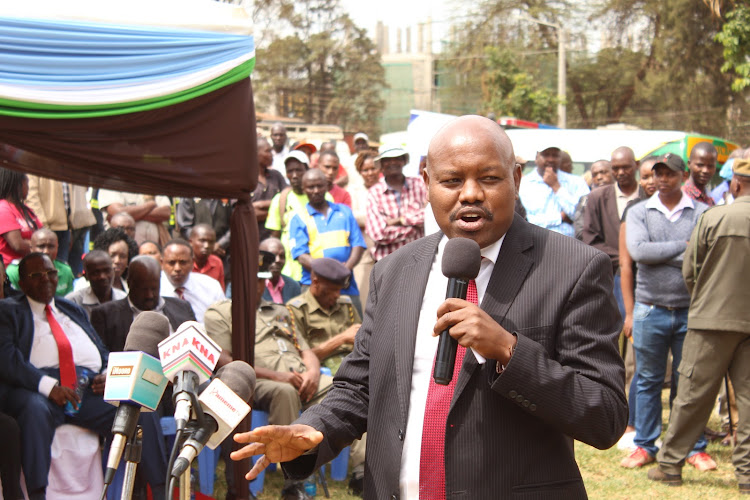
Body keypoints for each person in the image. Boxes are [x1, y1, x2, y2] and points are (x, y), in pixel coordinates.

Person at [231, 115, 627, 499]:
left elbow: (604, 414)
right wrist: (313, 428)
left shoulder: (573, 268)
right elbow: (360, 386)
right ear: (426, 183)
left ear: (516, 178)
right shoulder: (394, 271)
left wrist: (509, 351)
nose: (470, 194)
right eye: (452, 180)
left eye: (489, 178)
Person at [647, 158, 750, 494]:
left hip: (710, 321)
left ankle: (670, 465)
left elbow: (690, 271)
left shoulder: (713, 216)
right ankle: (747, 476)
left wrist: (705, 300)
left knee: (692, 395)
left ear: (735, 183)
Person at [204, 251, 330, 500]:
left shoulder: (279, 310)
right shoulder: (220, 312)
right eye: (253, 279)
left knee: (344, 388)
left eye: (262, 279)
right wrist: (277, 376)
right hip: (258, 380)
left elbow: (306, 350)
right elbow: (225, 361)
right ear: (237, 280)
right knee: (284, 393)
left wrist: (314, 372)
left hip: (302, 378)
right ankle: (293, 483)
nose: (260, 285)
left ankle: (360, 468)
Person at [622, 153, 713, 470]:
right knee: (647, 380)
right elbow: (639, 252)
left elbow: (704, 257)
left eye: (670, 174)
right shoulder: (639, 212)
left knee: (688, 382)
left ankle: (692, 447)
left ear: (682, 175)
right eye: (658, 173)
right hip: (650, 309)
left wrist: (667, 253)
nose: (662, 179)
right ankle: (646, 445)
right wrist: (683, 246)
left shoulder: (702, 212)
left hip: (691, 311)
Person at [0, 252, 114, 500]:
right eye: (37, 275)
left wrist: (107, 373)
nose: (46, 280)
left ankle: (144, 489)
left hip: (87, 388)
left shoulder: (71, 308)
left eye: (51, 273)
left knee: (132, 413)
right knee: (34, 410)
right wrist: (50, 386)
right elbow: (8, 359)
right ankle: (38, 494)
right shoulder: (8, 311)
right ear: (21, 284)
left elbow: (101, 351)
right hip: (37, 388)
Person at [617, 155, 659, 450]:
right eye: (645, 176)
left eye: (655, 175)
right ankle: (631, 424)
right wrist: (629, 312)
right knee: (635, 368)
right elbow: (627, 264)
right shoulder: (633, 211)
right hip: (641, 303)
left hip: (673, 303)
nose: (651, 181)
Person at [289, 169, 366, 315]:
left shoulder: (344, 212)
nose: (316, 190)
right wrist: (330, 274)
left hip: (346, 285)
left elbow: (358, 245)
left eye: (319, 185)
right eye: (311, 187)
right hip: (315, 287)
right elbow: (301, 255)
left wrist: (345, 271)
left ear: (327, 186)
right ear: (304, 189)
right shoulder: (299, 218)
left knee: (355, 331)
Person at [90, 256, 195, 354]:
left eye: (154, 288)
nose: (149, 295)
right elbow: (102, 357)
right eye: (143, 289)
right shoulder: (105, 315)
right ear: (129, 283)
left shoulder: (182, 307)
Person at [583, 147, 647, 286]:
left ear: (636, 165)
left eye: (626, 167)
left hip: (645, 277)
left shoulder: (648, 196)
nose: (621, 173)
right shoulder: (597, 197)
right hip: (609, 276)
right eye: (616, 168)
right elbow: (590, 239)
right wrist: (624, 259)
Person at [365, 146, 428, 262]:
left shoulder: (419, 183)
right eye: (388, 159)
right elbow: (378, 233)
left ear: (404, 161)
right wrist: (414, 228)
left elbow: (430, 215)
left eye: (397, 158)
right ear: (381, 164)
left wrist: (401, 220)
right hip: (388, 261)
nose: (393, 162)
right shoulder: (374, 193)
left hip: (420, 258)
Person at [24, 176, 95, 275]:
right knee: (49, 271)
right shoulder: (38, 164)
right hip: (48, 228)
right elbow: (31, 198)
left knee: (67, 272)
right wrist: (43, 226)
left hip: (71, 226)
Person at [519, 145, 590, 237]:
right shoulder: (524, 184)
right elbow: (527, 221)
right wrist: (560, 217)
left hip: (571, 243)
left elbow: (583, 216)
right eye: (546, 155)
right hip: (536, 241)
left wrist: (556, 186)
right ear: (537, 158)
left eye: (555, 155)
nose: (551, 159)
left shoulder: (576, 182)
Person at [159, 239, 224, 323]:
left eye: (183, 262)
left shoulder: (211, 286)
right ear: (162, 263)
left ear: (192, 262)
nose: (177, 268)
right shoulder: (153, 289)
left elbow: (222, 322)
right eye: (171, 263)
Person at [350, 151, 381, 306]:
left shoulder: (384, 188)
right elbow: (353, 216)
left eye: (373, 168)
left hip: (386, 249)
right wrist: (380, 219)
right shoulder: (354, 191)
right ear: (360, 172)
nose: (370, 173)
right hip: (364, 252)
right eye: (365, 170)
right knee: (364, 297)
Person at [7, 229, 75, 296]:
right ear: (31, 248)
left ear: (57, 247)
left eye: (51, 246)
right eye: (41, 246)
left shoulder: (65, 270)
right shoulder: (14, 272)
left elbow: (68, 302)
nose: (46, 251)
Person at [97, 189, 171, 245]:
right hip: (124, 248)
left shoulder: (150, 183)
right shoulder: (111, 185)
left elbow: (166, 213)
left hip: (154, 249)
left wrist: (134, 213)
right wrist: (151, 205)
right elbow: (118, 212)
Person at [66, 250, 127, 317]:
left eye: (107, 271)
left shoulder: (124, 299)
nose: (102, 277)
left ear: (113, 272)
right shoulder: (73, 301)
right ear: (86, 276)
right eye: (95, 273)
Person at [0, 168, 41, 266]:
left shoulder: (26, 210)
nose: (28, 187)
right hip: (12, 267)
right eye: (26, 182)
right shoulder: (3, 209)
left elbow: (43, 235)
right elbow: (17, 245)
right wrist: (39, 246)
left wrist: (34, 244)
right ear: (17, 184)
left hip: (31, 264)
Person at [253, 137, 288, 242]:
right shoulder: (244, 178)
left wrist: (261, 204)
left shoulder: (276, 176)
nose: (272, 154)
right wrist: (275, 210)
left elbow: (287, 200)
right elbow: (246, 214)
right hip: (252, 237)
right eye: (268, 151)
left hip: (274, 239)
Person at [573, 159, 614, 240]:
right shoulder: (585, 200)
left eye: (603, 172)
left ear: (613, 173)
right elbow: (580, 232)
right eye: (595, 175)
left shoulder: (621, 197)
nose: (599, 177)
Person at [92, 227, 138, 292]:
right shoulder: (85, 285)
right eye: (112, 255)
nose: (117, 261)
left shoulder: (132, 288)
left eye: (123, 256)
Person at [259, 237, 301, 304]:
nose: (278, 260)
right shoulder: (252, 286)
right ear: (260, 258)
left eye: (282, 256)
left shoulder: (294, 286)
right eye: (273, 256)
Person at [189, 223, 225, 291]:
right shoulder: (183, 263)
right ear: (191, 242)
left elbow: (220, 294)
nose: (206, 246)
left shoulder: (217, 263)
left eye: (211, 242)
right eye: (202, 241)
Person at [683, 142, 718, 206]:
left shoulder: (710, 199)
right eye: (700, 165)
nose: (705, 170)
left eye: (710, 166)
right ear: (689, 164)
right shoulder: (682, 197)